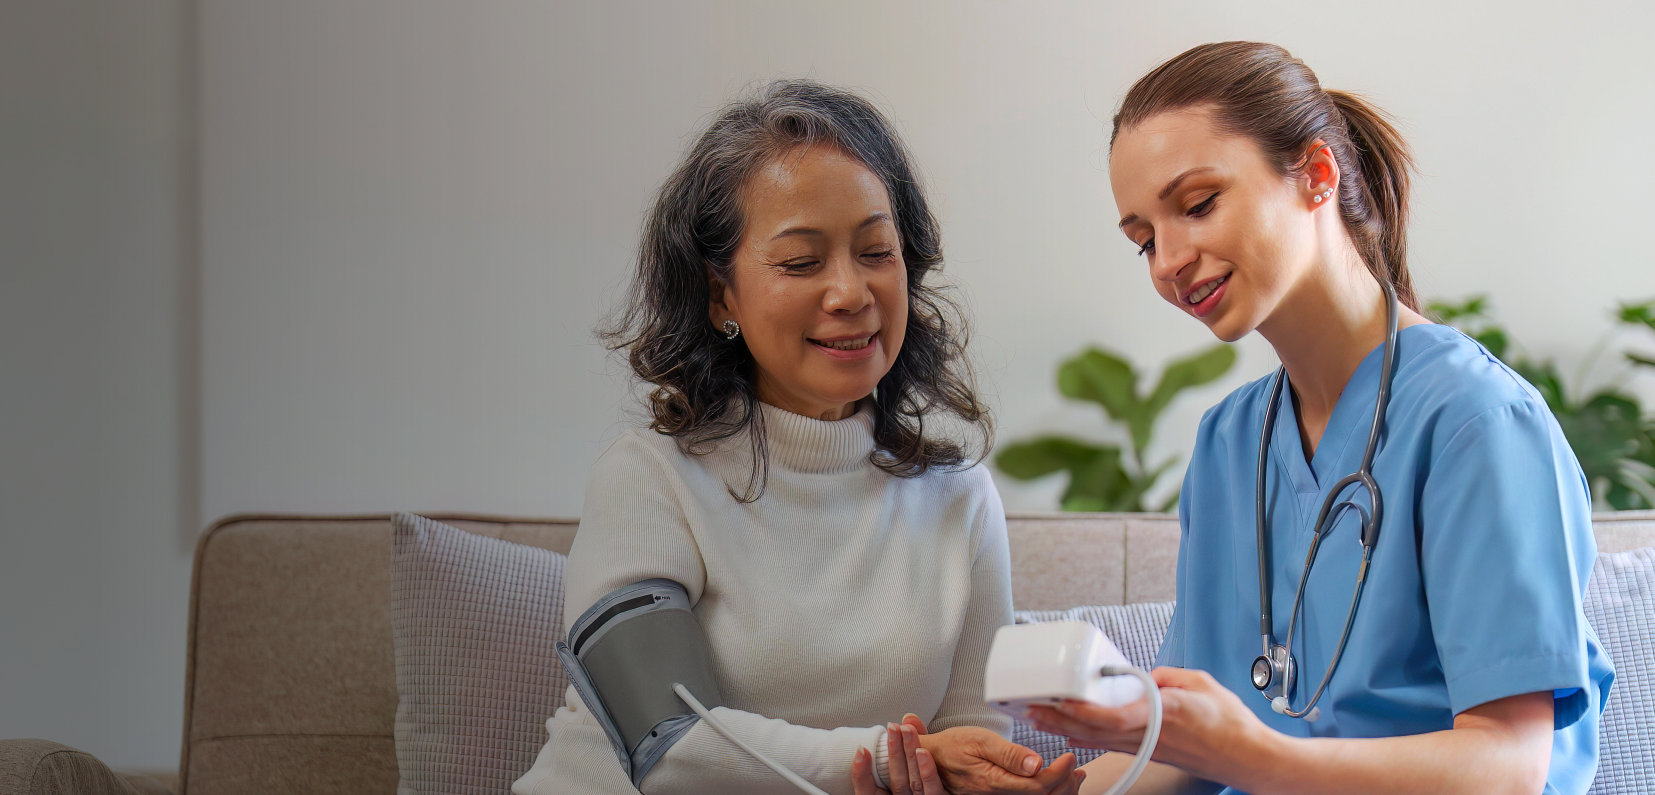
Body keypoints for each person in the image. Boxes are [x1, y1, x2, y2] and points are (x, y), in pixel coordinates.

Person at [1012, 42, 1614, 795]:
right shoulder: (1230, 443)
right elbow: (1180, 748)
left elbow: (1507, 766)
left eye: (1196, 205)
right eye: (1142, 239)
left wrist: (1246, 755)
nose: (1167, 259)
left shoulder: (1475, 423)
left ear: (1317, 174)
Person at [512, 79, 1084, 795]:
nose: (849, 292)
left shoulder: (959, 499)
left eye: (876, 251)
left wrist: (1004, 781)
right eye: (801, 262)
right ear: (721, 294)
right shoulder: (649, 478)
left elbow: (968, 746)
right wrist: (887, 758)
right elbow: (670, 746)